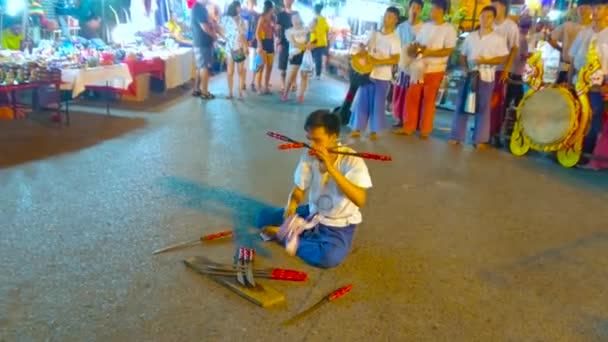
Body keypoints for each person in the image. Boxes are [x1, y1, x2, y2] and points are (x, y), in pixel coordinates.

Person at [255, 110, 372, 268]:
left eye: (318, 140)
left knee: (329, 257)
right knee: (262, 217)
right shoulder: (309, 154)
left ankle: (286, 235)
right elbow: (299, 189)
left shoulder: (352, 160)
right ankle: (295, 233)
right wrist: (291, 205)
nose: (312, 146)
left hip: (337, 224)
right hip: (313, 212)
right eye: (309, 140)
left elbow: (360, 199)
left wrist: (330, 168)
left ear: (333, 136)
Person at [448, 6, 508, 148]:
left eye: (489, 17)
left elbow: (500, 59)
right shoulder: (471, 36)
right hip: (469, 74)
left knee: (483, 107)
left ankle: (480, 139)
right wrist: (464, 67)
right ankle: (456, 136)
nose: (485, 19)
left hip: (486, 76)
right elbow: (462, 56)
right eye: (483, 16)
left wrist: (484, 61)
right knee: (462, 104)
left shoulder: (498, 38)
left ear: (493, 19)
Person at [398, 0, 457, 139]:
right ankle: (409, 126)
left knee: (429, 100)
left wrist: (429, 53)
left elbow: (448, 50)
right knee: (413, 96)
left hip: (435, 69)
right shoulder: (426, 26)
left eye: (434, 9)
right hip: (419, 67)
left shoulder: (449, 29)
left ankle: (425, 129)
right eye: (431, 8)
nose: (432, 11)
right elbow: (418, 43)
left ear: (442, 11)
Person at [349, 7, 401, 141]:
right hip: (368, 73)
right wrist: (361, 48)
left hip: (382, 76)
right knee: (362, 101)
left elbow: (396, 58)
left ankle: (374, 130)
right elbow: (364, 48)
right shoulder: (374, 33)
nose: (386, 19)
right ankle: (357, 128)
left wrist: (379, 60)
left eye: (390, 17)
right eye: (385, 15)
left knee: (377, 104)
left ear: (395, 20)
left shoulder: (395, 39)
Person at [569, 0, 608, 167]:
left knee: (592, 119)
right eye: (594, 8)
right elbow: (572, 58)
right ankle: (567, 150)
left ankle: (586, 153)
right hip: (578, 81)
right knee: (573, 116)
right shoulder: (584, 32)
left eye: (599, 8)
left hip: (598, 84)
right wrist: (569, 79)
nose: (595, 11)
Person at [489, 0, 519, 146]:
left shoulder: (511, 26)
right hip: (485, 68)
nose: (494, 7)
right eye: (492, 4)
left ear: (503, 7)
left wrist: (507, 69)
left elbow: (514, 48)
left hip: (500, 70)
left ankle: (494, 133)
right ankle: (484, 131)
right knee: (484, 102)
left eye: (497, 5)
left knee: (497, 102)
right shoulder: (488, 22)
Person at [392, 0, 423, 128]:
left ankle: (411, 119)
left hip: (416, 67)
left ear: (420, 11)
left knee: (413, 94)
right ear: (409, 8)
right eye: (412, 7)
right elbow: (396, 45)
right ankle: (399, 117)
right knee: (400, 92)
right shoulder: (401, 27)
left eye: (417, 8)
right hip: (403, 66)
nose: (414, 10)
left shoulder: (423, 28)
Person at [549, 0, 593, 84]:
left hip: (583, 69)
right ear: (577, 10)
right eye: (581, 8)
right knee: (561, 93)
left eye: (586, 8)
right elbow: (550, 38)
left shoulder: (593, 28)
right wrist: (561, 50)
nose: (583, 10)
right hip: (566, 66)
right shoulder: (568, 25)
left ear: (591, 10)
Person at [281, 11, 314, 103]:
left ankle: (301, 95)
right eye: (293, 19)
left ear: (300, 18)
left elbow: (311, 40)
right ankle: (285, 93)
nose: (295, 20)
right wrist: (306, 46)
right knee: (291, 76)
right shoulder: (289, 31)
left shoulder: (306, 29)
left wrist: (309, 45)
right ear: (291, 20)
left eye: (297, 18)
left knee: (304, 76)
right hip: (294, 55)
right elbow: (294, 44)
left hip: (305, 55)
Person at [221, 1, 248, 100]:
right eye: (239, 7)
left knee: (240, 71)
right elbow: (218, 28)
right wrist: (225, 37)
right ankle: (230, 92)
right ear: (235, 7)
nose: (240, 8)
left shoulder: (242, 21)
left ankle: (240, 92)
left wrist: (246, 47)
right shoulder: (226, 19)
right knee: (230, 71)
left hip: (240, 47)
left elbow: (243, 35)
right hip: (230, 47)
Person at [191, 0, 217, 99]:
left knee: (200, 66)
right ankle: (205, 92)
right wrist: (214, 35)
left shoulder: (200, 8)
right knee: (204, 67)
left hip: (201, 42)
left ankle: (196, 89)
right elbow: (205, 27)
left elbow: (208, 23)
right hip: (202, 43)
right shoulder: (199, 9)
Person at [255, 1, 276, 94]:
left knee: (270, 66)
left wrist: (275, 28)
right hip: (263, 43)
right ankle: (258, 86)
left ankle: (266, 86)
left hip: (270, 43)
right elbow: (257, 33)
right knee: (261, 66)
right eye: (273, 8)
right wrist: (259, 44)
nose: (274, 9)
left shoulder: (273, 18)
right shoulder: (262, 17)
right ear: (270, 8)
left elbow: (274, 31)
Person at [241, 0, 260, 92]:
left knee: (254, 63)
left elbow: (257, 29)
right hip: (243, 40)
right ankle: (243, 82)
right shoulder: (242, 13)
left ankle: (252, 82)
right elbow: (240, 28)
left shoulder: (257, 15)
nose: (252, 2)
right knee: (242, 61)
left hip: (253, 41)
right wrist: (245, 40)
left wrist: (252, 39)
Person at [277, 0, 295, 92]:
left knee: (294, 64)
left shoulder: (296, 14)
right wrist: (279, 43)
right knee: (283, 66)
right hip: (284, 42)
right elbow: (278, 30)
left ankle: (292, 83)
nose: (287, 1)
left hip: (294, 43)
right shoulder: (280, 15)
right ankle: (283, 84)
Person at [310, 3, 330, 80]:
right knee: (318, 58)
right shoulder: (324, 19)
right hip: (322, 42)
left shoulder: (314, 19)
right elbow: (327, 29)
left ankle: (312, 72)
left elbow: (311, 29)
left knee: (311, 57)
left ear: (314, 10)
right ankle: (317, 74)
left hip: (314, 41)